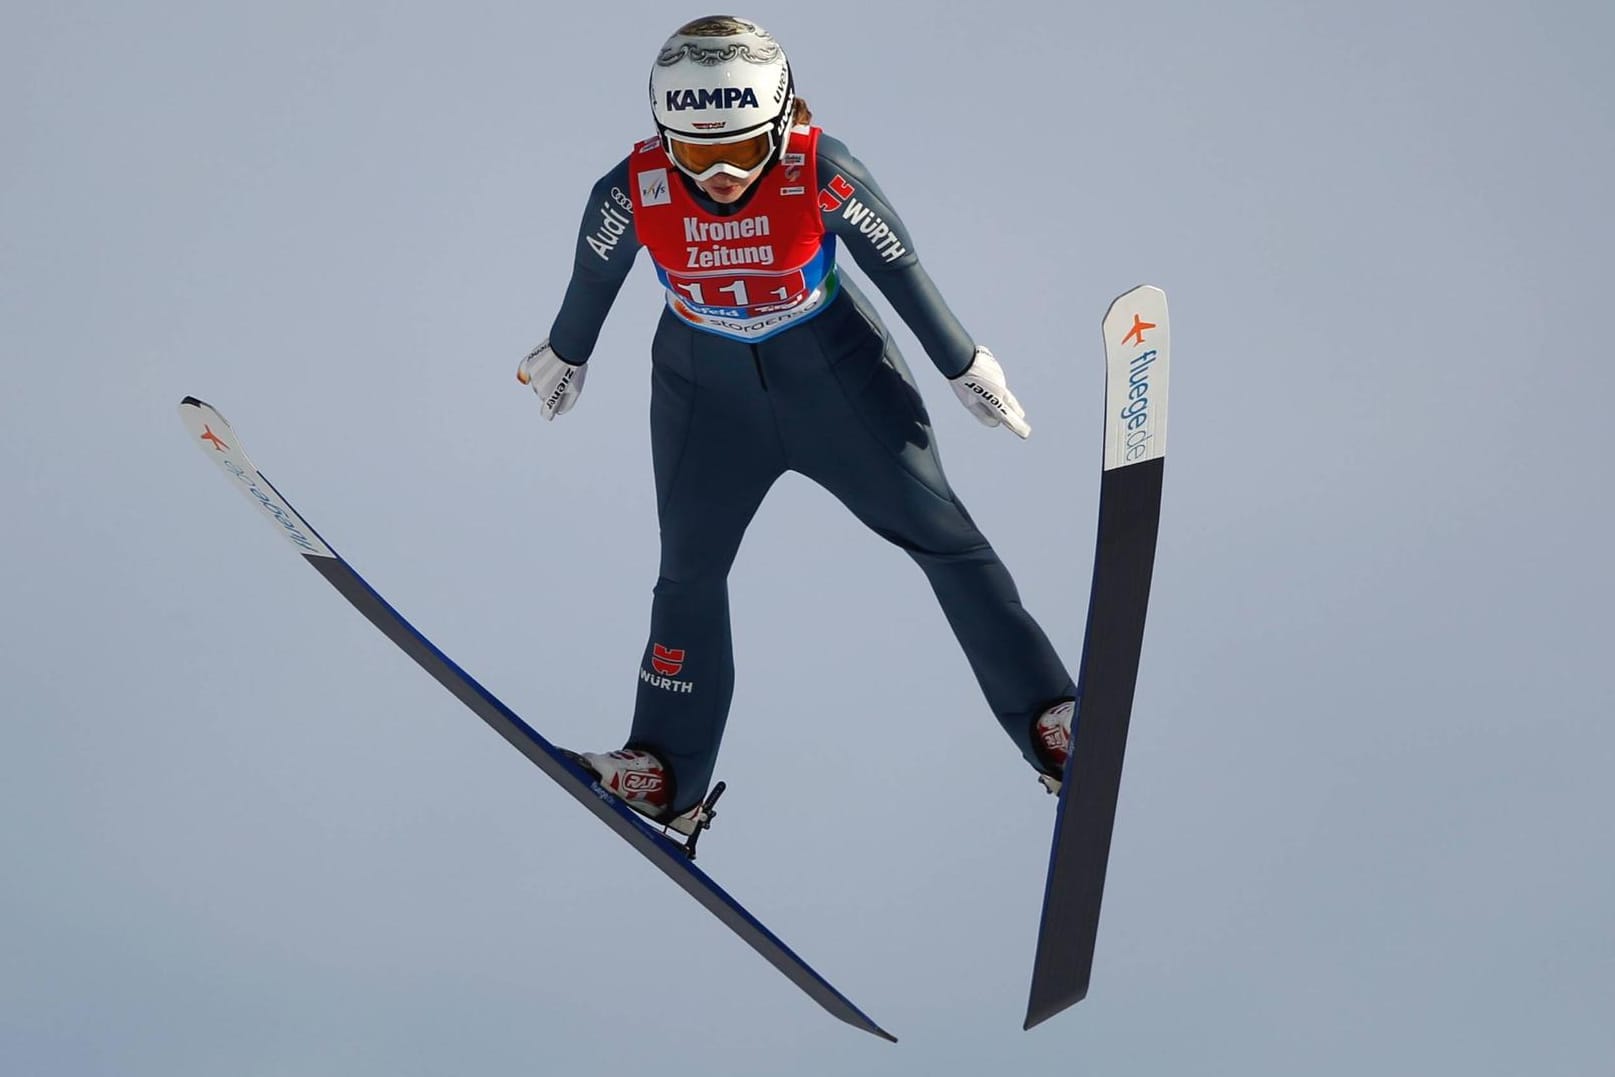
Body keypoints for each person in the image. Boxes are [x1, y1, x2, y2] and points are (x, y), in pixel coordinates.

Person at [519, 15, 1077, 833]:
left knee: (943, 538)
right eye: (696, 151)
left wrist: (963, 363)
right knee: (686, 576)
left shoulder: (819, 168)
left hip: (837, 381)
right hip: (705, 399)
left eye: (742, 151)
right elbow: (594, 273)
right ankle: (664, 772)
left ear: (781, 125)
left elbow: (898, 267)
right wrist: (565, 353)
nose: (716, 174)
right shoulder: (631, 187)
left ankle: (1049, 722)